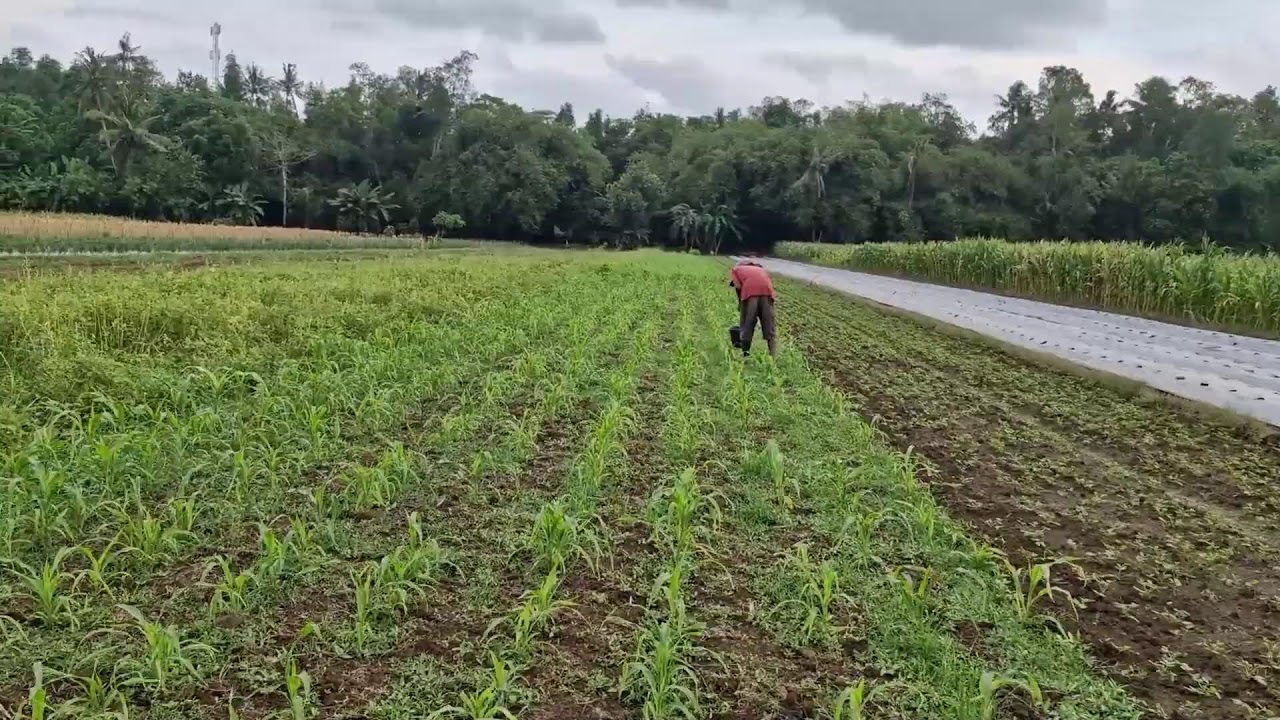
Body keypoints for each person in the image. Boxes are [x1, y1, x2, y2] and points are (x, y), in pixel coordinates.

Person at [729, 258, 778, 357]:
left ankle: (745, 354)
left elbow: (738, 286)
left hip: (750, 293)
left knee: (747, 322)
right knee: (769, 324)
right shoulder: (761, 269)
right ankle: (773, 355)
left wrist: (741, 303)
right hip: (767, 293)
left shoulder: (736, 269)